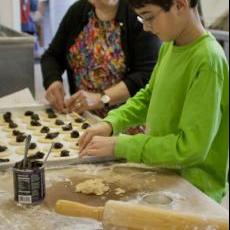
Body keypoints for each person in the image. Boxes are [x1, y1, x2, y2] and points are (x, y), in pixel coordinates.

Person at [79, 0, 229, 203]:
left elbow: (190, 148)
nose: (145, 26)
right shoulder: (169, 46)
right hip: (165, 175)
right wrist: (112, 122)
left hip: (195, 191)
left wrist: (122, 145)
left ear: (180, 4)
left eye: (149, 17)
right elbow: (149, 97)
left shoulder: (208, 61)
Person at [41, 0, 161, 118]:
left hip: (125, 120)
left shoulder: (137, 14)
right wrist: (53, 80)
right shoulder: (78, 11)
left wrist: (101, 99)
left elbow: (146, 75)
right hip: (84, 117)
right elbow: (52, 56)